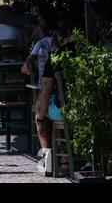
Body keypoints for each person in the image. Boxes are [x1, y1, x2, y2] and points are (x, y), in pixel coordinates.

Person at [35, 18, 75, 176]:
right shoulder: (89, 53)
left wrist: (39, 118)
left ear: (58, 37)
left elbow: (45, 91)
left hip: (65, 110)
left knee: (43, 111)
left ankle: (49, 161)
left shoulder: (56, 57)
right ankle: (65, 161)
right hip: (90, 108)